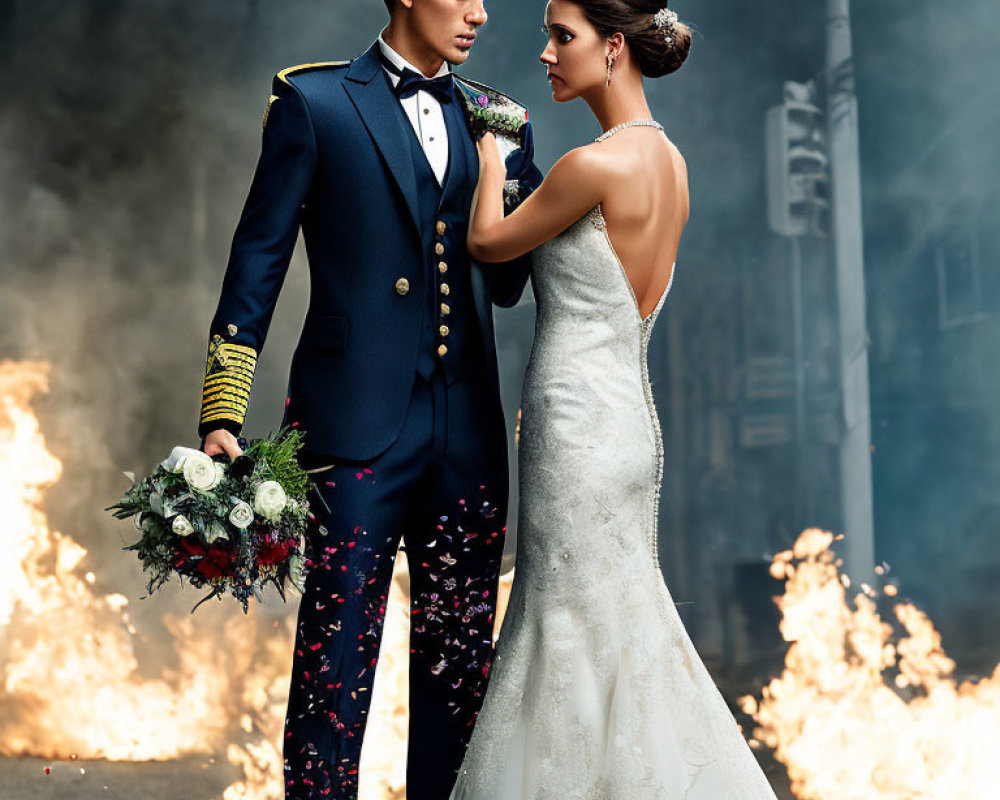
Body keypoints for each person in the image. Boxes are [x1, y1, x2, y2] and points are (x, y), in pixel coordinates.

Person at [195, 0, 542, 796]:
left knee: (459, 668)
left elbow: (513, 284)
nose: (482, 14)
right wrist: (222, 410)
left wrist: (507, 178)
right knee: (336, 658)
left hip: (467, 438)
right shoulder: (314, 102)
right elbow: (258, 260)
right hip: (351, 431)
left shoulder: (500, 118)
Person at [448, 1, 780, 797]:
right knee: (618, 624)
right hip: (629, 425)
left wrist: (491, 154)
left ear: (615, 46)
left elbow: (487, 242)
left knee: (563, 627)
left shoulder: (592, 166)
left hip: (574, 430)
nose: (546, 54)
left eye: (563, 37)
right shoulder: (673, 165)